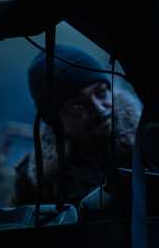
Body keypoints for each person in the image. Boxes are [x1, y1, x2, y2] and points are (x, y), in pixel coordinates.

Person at [12, 45, 142, 207]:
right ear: (54, 119)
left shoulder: (150, 146)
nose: (99, 109)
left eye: (101, 93)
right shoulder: (38, 181)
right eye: (78, 105)